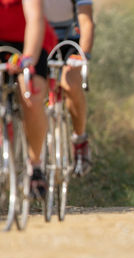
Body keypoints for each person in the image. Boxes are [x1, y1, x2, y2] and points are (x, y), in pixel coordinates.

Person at [0, 0, 57, 199]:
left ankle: (35, 166)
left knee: (31, 94)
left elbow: (35, 18)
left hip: (28, 39)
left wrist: (29, 59)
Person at [44, 0, 94, 177]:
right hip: (40, 34)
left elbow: (86, 21)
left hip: (70, 38)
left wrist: (83, 55)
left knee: (70, 82)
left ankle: (79, 141)